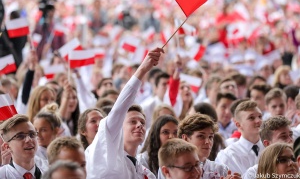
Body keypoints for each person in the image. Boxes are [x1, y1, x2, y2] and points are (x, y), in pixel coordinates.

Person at [85, 47, 164, 179]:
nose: (139, 125)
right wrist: (142, 70)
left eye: (143, 122)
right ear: (118, 126)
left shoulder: (145, 172)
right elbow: (119, 109)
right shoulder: (106, 151)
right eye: (132, 121)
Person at [216, 100, 264, 174]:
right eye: (251, 118)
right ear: (238, 125)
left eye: (260, 116)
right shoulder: (228, 155)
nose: (258, 121)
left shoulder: (270, 147)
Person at [178, 113, 229, 179]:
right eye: (201, 136)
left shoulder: (221, 170)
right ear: (185, 138)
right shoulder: (173, 169)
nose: (208, 142)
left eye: (210, 137)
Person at [0, 114, 48, 178]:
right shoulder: (2, 175)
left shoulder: (50, 173)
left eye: (32, 134)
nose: (29, 140)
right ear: (7, 147)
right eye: (20, 136)